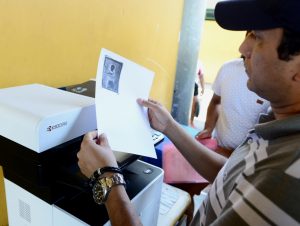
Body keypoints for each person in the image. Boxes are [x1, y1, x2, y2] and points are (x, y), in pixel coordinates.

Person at [77, 0, 300, 225]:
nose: (243, 48)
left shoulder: (286, 180)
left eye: (258, 37)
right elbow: (233, 176)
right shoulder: (277, 125)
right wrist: (169, 126)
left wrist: (106, 178)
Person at [195, 57, 270, 155]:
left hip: (247, 163)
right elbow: (216, 102)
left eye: (256, 40)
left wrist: (230, 156)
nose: (242, 47)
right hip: (217, 150)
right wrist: (209, 128)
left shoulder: (276, 81)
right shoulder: (228, 68)